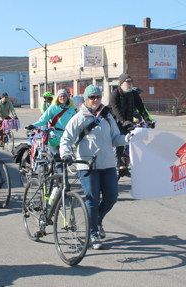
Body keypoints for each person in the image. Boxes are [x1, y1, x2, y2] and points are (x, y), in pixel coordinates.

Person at [60, 85, 129, 250]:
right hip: (87, 166)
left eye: (98, 96)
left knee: (111, 197)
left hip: (107, 164)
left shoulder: (107, 116)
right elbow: (66, 138)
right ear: (86, 99)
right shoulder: (79, 117)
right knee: (92, 200)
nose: (96, 100)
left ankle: (97, 220)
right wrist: (65, 154)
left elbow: (115, 138)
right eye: (92, 97)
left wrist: (128, 138)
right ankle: (92, 234)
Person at [26, 89, 76, 175]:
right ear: (57, 98)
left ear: (67, 98)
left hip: (66, 137)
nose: (62, 98)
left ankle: (60, 177)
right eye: (60, 96)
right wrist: (34, 125)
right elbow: (43, 119)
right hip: (55, 135)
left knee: (65, 158)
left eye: (64, 96)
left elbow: (77, 122)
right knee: (58, 159)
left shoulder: (71, 110)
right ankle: (60, 181)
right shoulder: (52, 108)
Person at [110, 74, 152, 171]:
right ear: (121, 83)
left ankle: (131, 161)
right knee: (120, 135)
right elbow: (115, 110)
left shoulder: (133, 94)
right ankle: (119, 159)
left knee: (134, 137)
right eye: (127, 81)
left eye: (131, 81)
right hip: (116, 120)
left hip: (128, 119)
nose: (130, 83)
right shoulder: (115, 94)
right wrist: (123, 121)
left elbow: (141, 108)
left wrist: (148, 120)